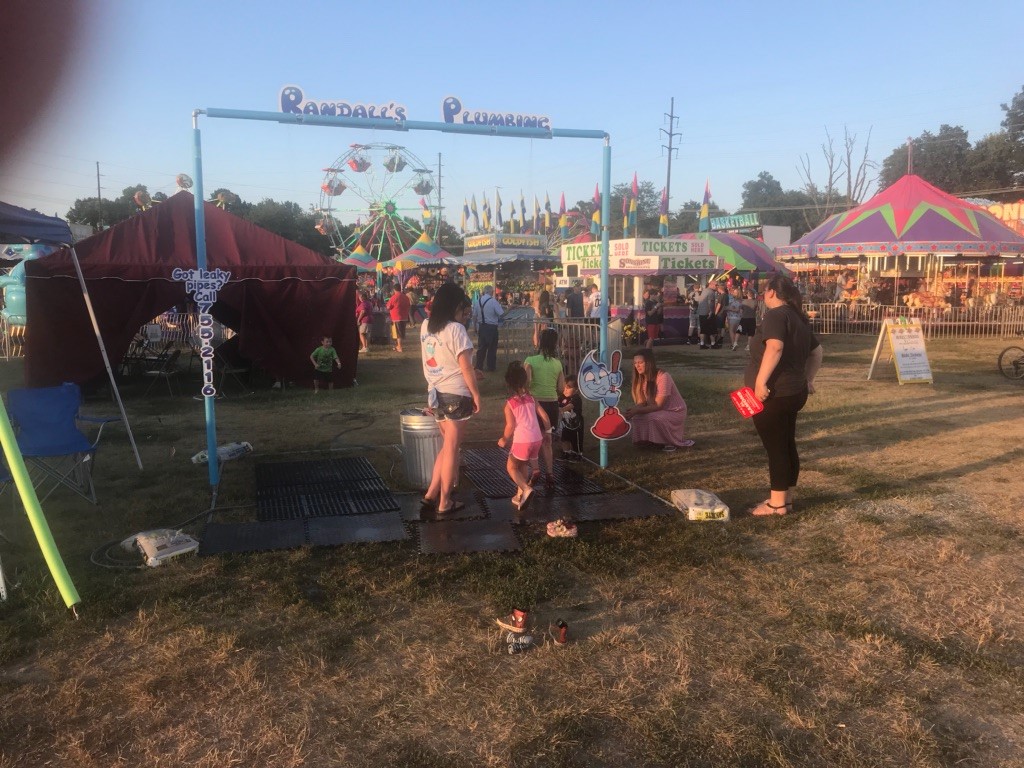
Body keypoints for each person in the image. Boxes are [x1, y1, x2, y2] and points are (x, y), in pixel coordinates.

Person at [744, 273, 823, 517]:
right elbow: (817, 351)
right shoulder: (797, 317)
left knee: (776, 448)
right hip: (794, 392)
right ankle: (785, 499)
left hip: (774, 394)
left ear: (771, 292)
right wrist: (808, 379)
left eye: (763, 292)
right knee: (787, 445)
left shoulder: (776, 315)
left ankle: (776, 504)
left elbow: (775, 347)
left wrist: (760, 382)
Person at [419, 282, 482, 515]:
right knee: (452, 449)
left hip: (435, 393)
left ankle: (431, 495)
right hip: (456, 394)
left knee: (447, 448)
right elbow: (465, 367)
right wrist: (476, 393)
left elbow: (440, 360)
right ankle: (445, 502)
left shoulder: (425, 326)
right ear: (454, 305)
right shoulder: (456, 329)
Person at [497, 361, 551, 511]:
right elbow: (545, 416)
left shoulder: (510, 404)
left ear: (509, 384)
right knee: (523, 464)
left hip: (523, 440)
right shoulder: (532, 399)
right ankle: (520, 494)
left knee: (511, 466)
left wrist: (504, 439)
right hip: (537, 439)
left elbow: (510, 426)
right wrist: (548, 432)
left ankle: (526, 489)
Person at [623, 349, 692, 452]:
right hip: (656, 409)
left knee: (653, 418)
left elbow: (659, 405)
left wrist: (636, 411)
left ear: (649, 363)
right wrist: (631, 411)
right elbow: (641, 403)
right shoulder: (639, 379)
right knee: (637, 417)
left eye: (640, 362)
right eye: (635, 363)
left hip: (674, 411)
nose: (637, 366)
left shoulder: (663, 376)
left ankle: (668, 442)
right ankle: (647, 441)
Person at [524, 327, 565, 489]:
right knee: (547, 442)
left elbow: (525, 384)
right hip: (552, 405)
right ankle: (550, 473)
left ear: (540, 342)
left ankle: (535, 470)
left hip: (535, 404)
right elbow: (561, 388)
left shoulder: (530, 360)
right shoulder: (558, 363)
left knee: (532, 440)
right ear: (555, 344)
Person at [472, 284, 504, 373]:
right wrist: (511, 308)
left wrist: (475, 327)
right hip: (492, 327)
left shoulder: (477, 301)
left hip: (481, 327)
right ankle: (491, 367)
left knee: (481, 348)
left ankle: (479, 366)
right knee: (492, 348)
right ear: (491, 292)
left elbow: (474, 316)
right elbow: (501, 314)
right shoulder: (493, 301)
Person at [558, 374, 584, 461]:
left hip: (576, 424)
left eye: (568, 387)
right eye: (564, 387)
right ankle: (566, 453)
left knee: (576, 440)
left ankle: (578, 454)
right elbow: (556, 403)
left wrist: (562, 409)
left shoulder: (576, 398)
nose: (565, 389)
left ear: (576, 389)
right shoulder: (562, 398)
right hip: (566, 423)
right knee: (564, 438)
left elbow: (570, 406)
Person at [386, 283, 411, 353]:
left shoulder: (394, 297)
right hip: (404, 317)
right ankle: (398, 345)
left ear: (394, 289)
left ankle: (399, 347)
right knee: (401, 332)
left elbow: (388, 307)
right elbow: (409, 305)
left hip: (396, 317)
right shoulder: (406, 297)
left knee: (397, 333)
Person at [696, 281, 717, 349]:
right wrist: (711, 311)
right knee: (711, 329)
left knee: (703, 329)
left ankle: (702, 344)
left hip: (701, 312)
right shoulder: (711, 292)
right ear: (711, 284)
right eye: (716, 285)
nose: (716, 286)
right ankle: (713, 344)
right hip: (708, 313)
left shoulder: (704, 291)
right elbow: (710, 302)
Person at [726, 286, 744, 350]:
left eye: (734, 292)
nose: (733, 293)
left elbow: (730, 308)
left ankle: (733, 344)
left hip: (731, 317)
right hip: (738, 318)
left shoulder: (731, 300)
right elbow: (741, 310)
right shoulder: (741, 301)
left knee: (731, 331)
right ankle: (734, 343)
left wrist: (729, 308)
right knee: (736, 331)